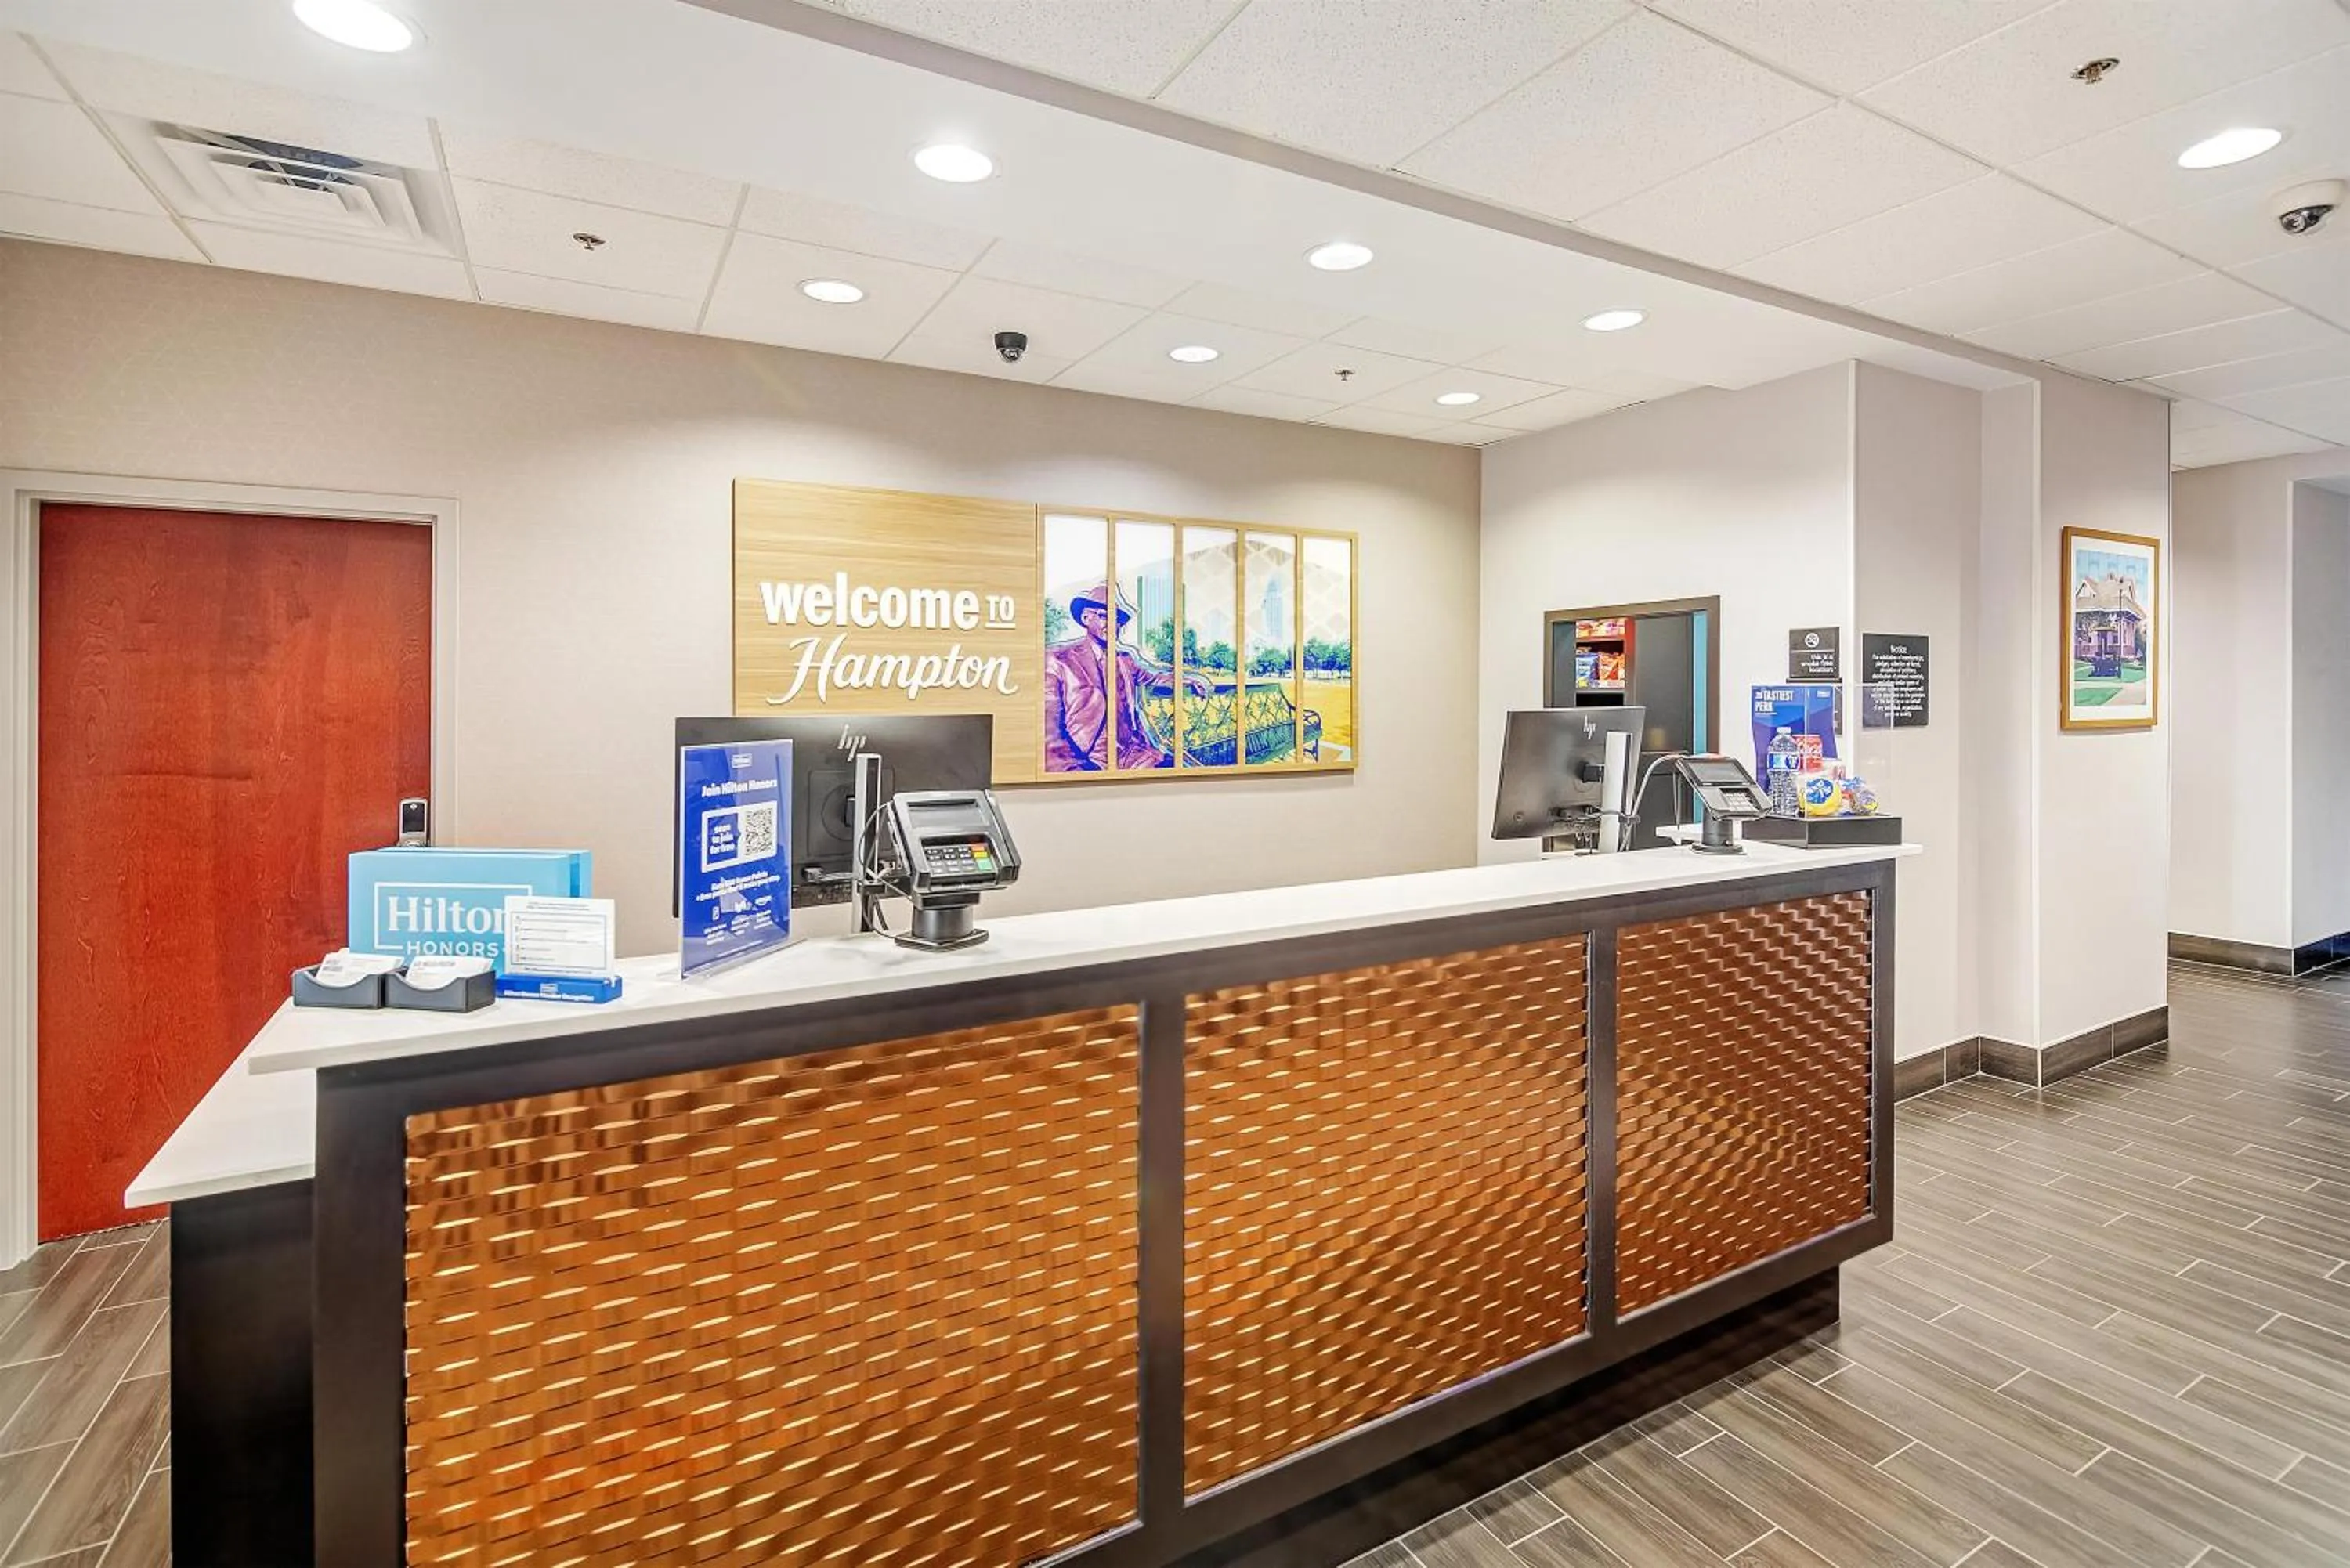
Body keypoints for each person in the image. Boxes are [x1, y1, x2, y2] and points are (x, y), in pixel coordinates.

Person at [1043, 583, 1188, 771]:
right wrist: (1073, 769)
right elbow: (1050, 731)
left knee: (1178, 770)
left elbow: (1154, 678)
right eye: (1105, 616)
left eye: (1117, 619)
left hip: (1133, 753)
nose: (1113, 624)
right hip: (1091, 758)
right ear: (1086, 618)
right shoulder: (1059, 660)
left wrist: (1184, 680)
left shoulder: (1125, 660)